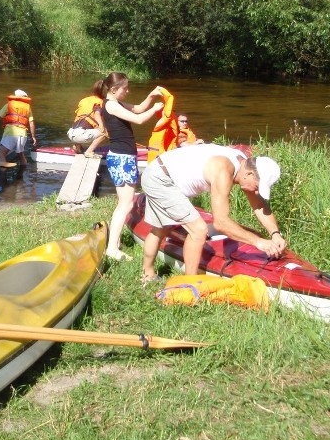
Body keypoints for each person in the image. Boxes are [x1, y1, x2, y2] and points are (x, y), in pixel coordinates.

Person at [140, 143, 285, 283]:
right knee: (198, 230)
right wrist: (258, 242)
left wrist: (275, 233)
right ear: (249, 174)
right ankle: (189, 285)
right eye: (257, 186)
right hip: (160, 179)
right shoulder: (223, 170)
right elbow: (220, 222)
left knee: (161, 228)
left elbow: (258, 205)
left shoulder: (242, 162)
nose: (256, 192)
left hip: (159, 171)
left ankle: (148, 275)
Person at [100, 73, 163, 261]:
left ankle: (114, 242)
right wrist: (156, 109)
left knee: (124, 203)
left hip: (123, 157)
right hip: (121, 158)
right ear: (113, 89)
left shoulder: (116, 103)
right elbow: (140, 119)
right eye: (124, 88)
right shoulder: (111, 106)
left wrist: (152, 96)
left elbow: (138, 109)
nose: (128, 91)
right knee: (126, 204)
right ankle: (112, 249)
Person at [0, 89, 36, 168]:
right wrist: (33, 137)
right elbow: (31, 124)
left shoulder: (9, 105)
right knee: (21, 154)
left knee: (1, 154)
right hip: (23, 134)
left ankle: (3, 176)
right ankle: (22, 175)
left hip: (10, 133)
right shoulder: (27, 107)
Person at [67, 81, 107, 158]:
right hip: (80, 134)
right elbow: (97, 114)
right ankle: (89, 152)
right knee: (103, 134)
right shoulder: (99, 101)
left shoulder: (84, 100)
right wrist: (102, 128)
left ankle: (78, 147)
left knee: (82, 127)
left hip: (71, 133)